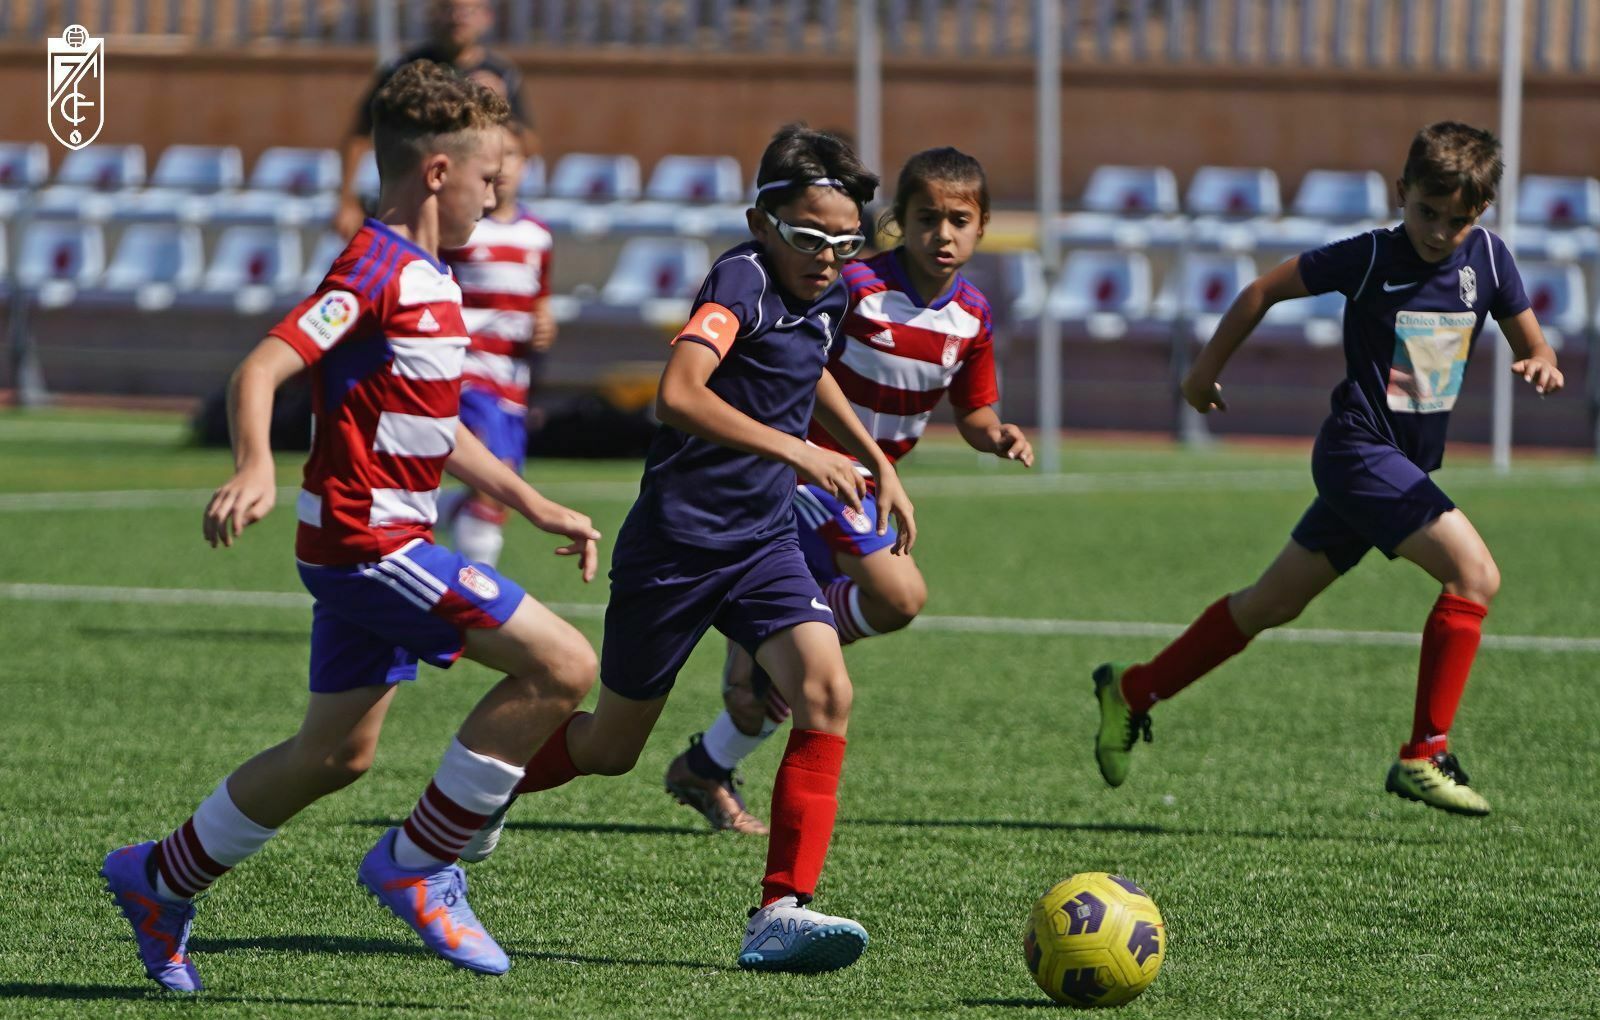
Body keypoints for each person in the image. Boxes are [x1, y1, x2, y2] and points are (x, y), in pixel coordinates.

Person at [99, 61, 601, 993]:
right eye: (489, 181)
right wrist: (253, 460)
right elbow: (262, 367)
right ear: (440, 174)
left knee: (335, 754)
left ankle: (161, 878)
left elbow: (432, 423)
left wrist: (532, 502)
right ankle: (419, 862)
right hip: (372, 544)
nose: (498, 201)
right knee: (565, 665)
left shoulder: (435, 279)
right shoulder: (373, 265)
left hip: (371, 542)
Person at [462, 123, 914, 974]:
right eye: (810, 237)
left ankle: (780, 910)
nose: (827, 256)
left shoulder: (828, 289)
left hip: (763, 540)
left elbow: (805, 363)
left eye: (845, 242)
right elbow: (676, 394)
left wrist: (868, 451)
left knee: (826, 689)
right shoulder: (738, 279)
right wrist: (799, 452)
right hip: (677, 546)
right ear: (762, 219)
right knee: (608, 748)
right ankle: (469, 803)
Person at [1091, 121, 1564, 816]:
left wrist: (1541, 361)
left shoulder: (1489, 259)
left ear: (1481, 214)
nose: (1437, 231)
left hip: (1395, 466)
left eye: (1456, 220)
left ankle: (1131, 691)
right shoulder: (1372, 256)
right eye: (1426, 212)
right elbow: (1261, 291)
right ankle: (1425, 753)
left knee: (1270, 604)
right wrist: (1200, 376)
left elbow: (1531, 337)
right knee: (1475, 575)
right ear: (1403, 193)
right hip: (1357, 452)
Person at [661, 147, 1033, 835]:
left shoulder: (973, 316)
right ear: (898, 220)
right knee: (900, 595)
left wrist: (998, 435)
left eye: (959, 221)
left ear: (983, 229)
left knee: (778, 690)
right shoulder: (852, 284)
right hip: (808, 472)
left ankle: (706, 765)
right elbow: (795, 364)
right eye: (927, 219)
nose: (942, 235)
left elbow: (973, 412)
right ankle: (757, 643)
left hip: (868, 489)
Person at [440, 117, 557, 567]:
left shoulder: (538, 234)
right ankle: (476, 598)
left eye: (511, 155)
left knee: (497, 494)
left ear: (527, 165)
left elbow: (539, 301)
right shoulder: (462, 230)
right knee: (496, 478)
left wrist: (545, 326)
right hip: (470, 370)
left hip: (513, 376)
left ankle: (423, 517)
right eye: (494, 156)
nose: (502, 166)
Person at [335, 0, 537, 239]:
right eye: (449, 9)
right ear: (433, 14)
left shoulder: (501, 73)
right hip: (416, 205)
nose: (457, 18)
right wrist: (347, 200)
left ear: (486, 17)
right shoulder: (408, 69)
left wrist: (498, 104)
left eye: (468, 11)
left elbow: (529, 146)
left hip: (472, 212)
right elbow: (359, 134)